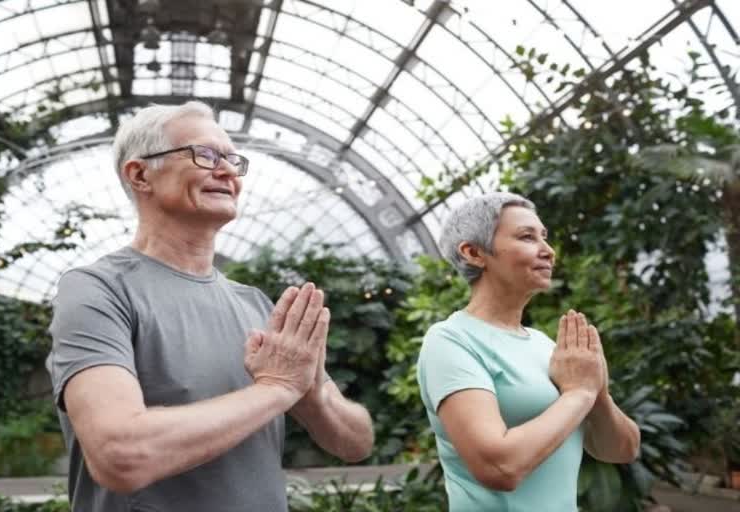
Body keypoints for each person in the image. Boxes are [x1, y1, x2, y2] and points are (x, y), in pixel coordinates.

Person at [46, 101, 374, 512]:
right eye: (205, 155)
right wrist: (276, 390)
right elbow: (120, 456)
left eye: (234, 160)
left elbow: (356, 443)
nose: (228, 171)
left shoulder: (256, 305)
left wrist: (313, 397)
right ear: (140, 173)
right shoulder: (98, 289)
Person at [416, 192, 640, 512]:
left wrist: (596, 391)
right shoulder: (450, 341)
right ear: (474, 252)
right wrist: (577, 394)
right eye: (526, 237)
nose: (548, 251)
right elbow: (499, 469)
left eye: (544, 238)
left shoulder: (546, 346)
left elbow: (623, 450)